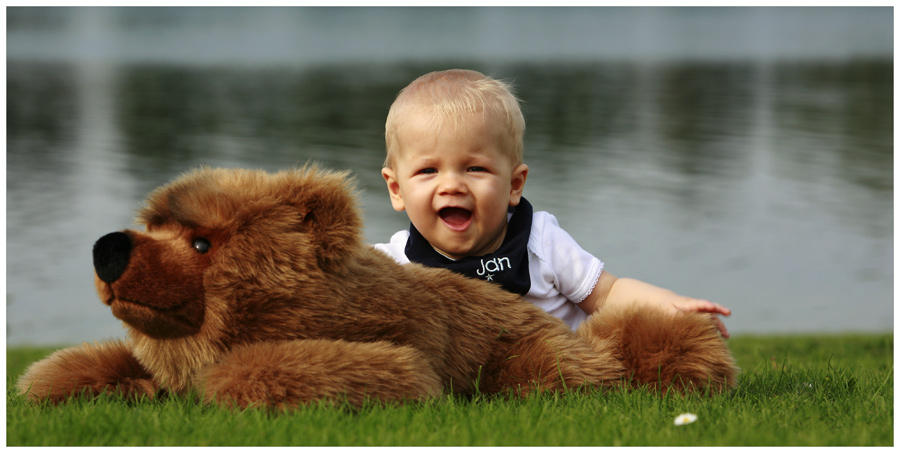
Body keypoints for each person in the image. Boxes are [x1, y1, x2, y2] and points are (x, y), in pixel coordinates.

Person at [374, 69, 731, 337]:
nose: (451, 185)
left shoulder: (539, 241)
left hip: (559, 366)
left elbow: (608, 293)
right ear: (397, 190)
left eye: (475, 168)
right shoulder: (395, 262)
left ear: (514, 185)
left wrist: (668, 304)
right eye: (428, 171)